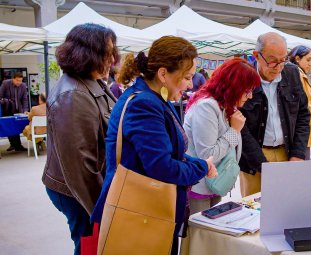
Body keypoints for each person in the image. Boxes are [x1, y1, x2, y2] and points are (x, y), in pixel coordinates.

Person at [91, 36, 217, 255]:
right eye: (187, 77)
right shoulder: (145, 104)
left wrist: (199, 164)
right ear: (163, 74)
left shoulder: (153, 99)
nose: (190, 84)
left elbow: (169, 154)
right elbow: (162, 167)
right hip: (140, 214)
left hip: (146, 212)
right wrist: (202, 168)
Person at [41, 23, 119, 255]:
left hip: (88, 183)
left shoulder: (90, 81)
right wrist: (101, 209)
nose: (112, 60)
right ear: (89, 53)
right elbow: (80, 166)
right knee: (89, 244)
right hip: (76, 190)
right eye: (107, 53)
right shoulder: (73, 94)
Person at [184, 58, 260, 214]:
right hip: (199, 185)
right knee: (201, 235)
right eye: (247, 90)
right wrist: (234, 131)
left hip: (214, 184)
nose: (250, 96)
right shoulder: (207, 106)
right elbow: (208, 155)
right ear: (234, 86)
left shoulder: (225, 105)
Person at [239, 32, 310, 197]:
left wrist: (298, 154)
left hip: (287, 151)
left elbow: (303, 115)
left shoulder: (291, 73)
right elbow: (239, 127)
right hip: (253, 156)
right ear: (256, 55)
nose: (278, 67)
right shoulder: (244, 77)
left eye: (283, 59)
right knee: (254, 210)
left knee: (288, 203)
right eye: (272, 61)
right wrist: (261, 163)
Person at [288, 45, 311, 160]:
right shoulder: (296, 74)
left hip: (305, 128)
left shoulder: (300, 73)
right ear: (297, 58)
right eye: (308, 60)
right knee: (303, 162)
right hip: (302, 129)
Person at [0, 72, 29, 151]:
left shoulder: (23, 86)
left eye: (20, 81)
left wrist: (25, 110)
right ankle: (13, 145)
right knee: (9, 126)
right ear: (13, 78)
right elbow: (0, 96)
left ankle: (17, 145)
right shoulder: (6, 83)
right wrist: (6, 101)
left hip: (18, 109)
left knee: (16, 126)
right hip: (8, 108)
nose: (19, 82)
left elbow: (24, 99)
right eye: (17, 80)